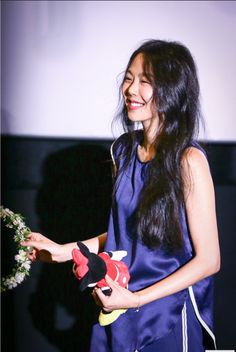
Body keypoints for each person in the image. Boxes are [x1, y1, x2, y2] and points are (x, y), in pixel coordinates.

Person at [22, 39, 220, 352]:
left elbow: (209, 260)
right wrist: (64, 251)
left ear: (173, 90)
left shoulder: (189, 161)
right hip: (118, 304)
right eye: (128, 78)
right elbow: (124, 235)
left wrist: (138, 299)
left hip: (167, 313)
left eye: (146, 81)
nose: (131, 89)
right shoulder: (123, 151)